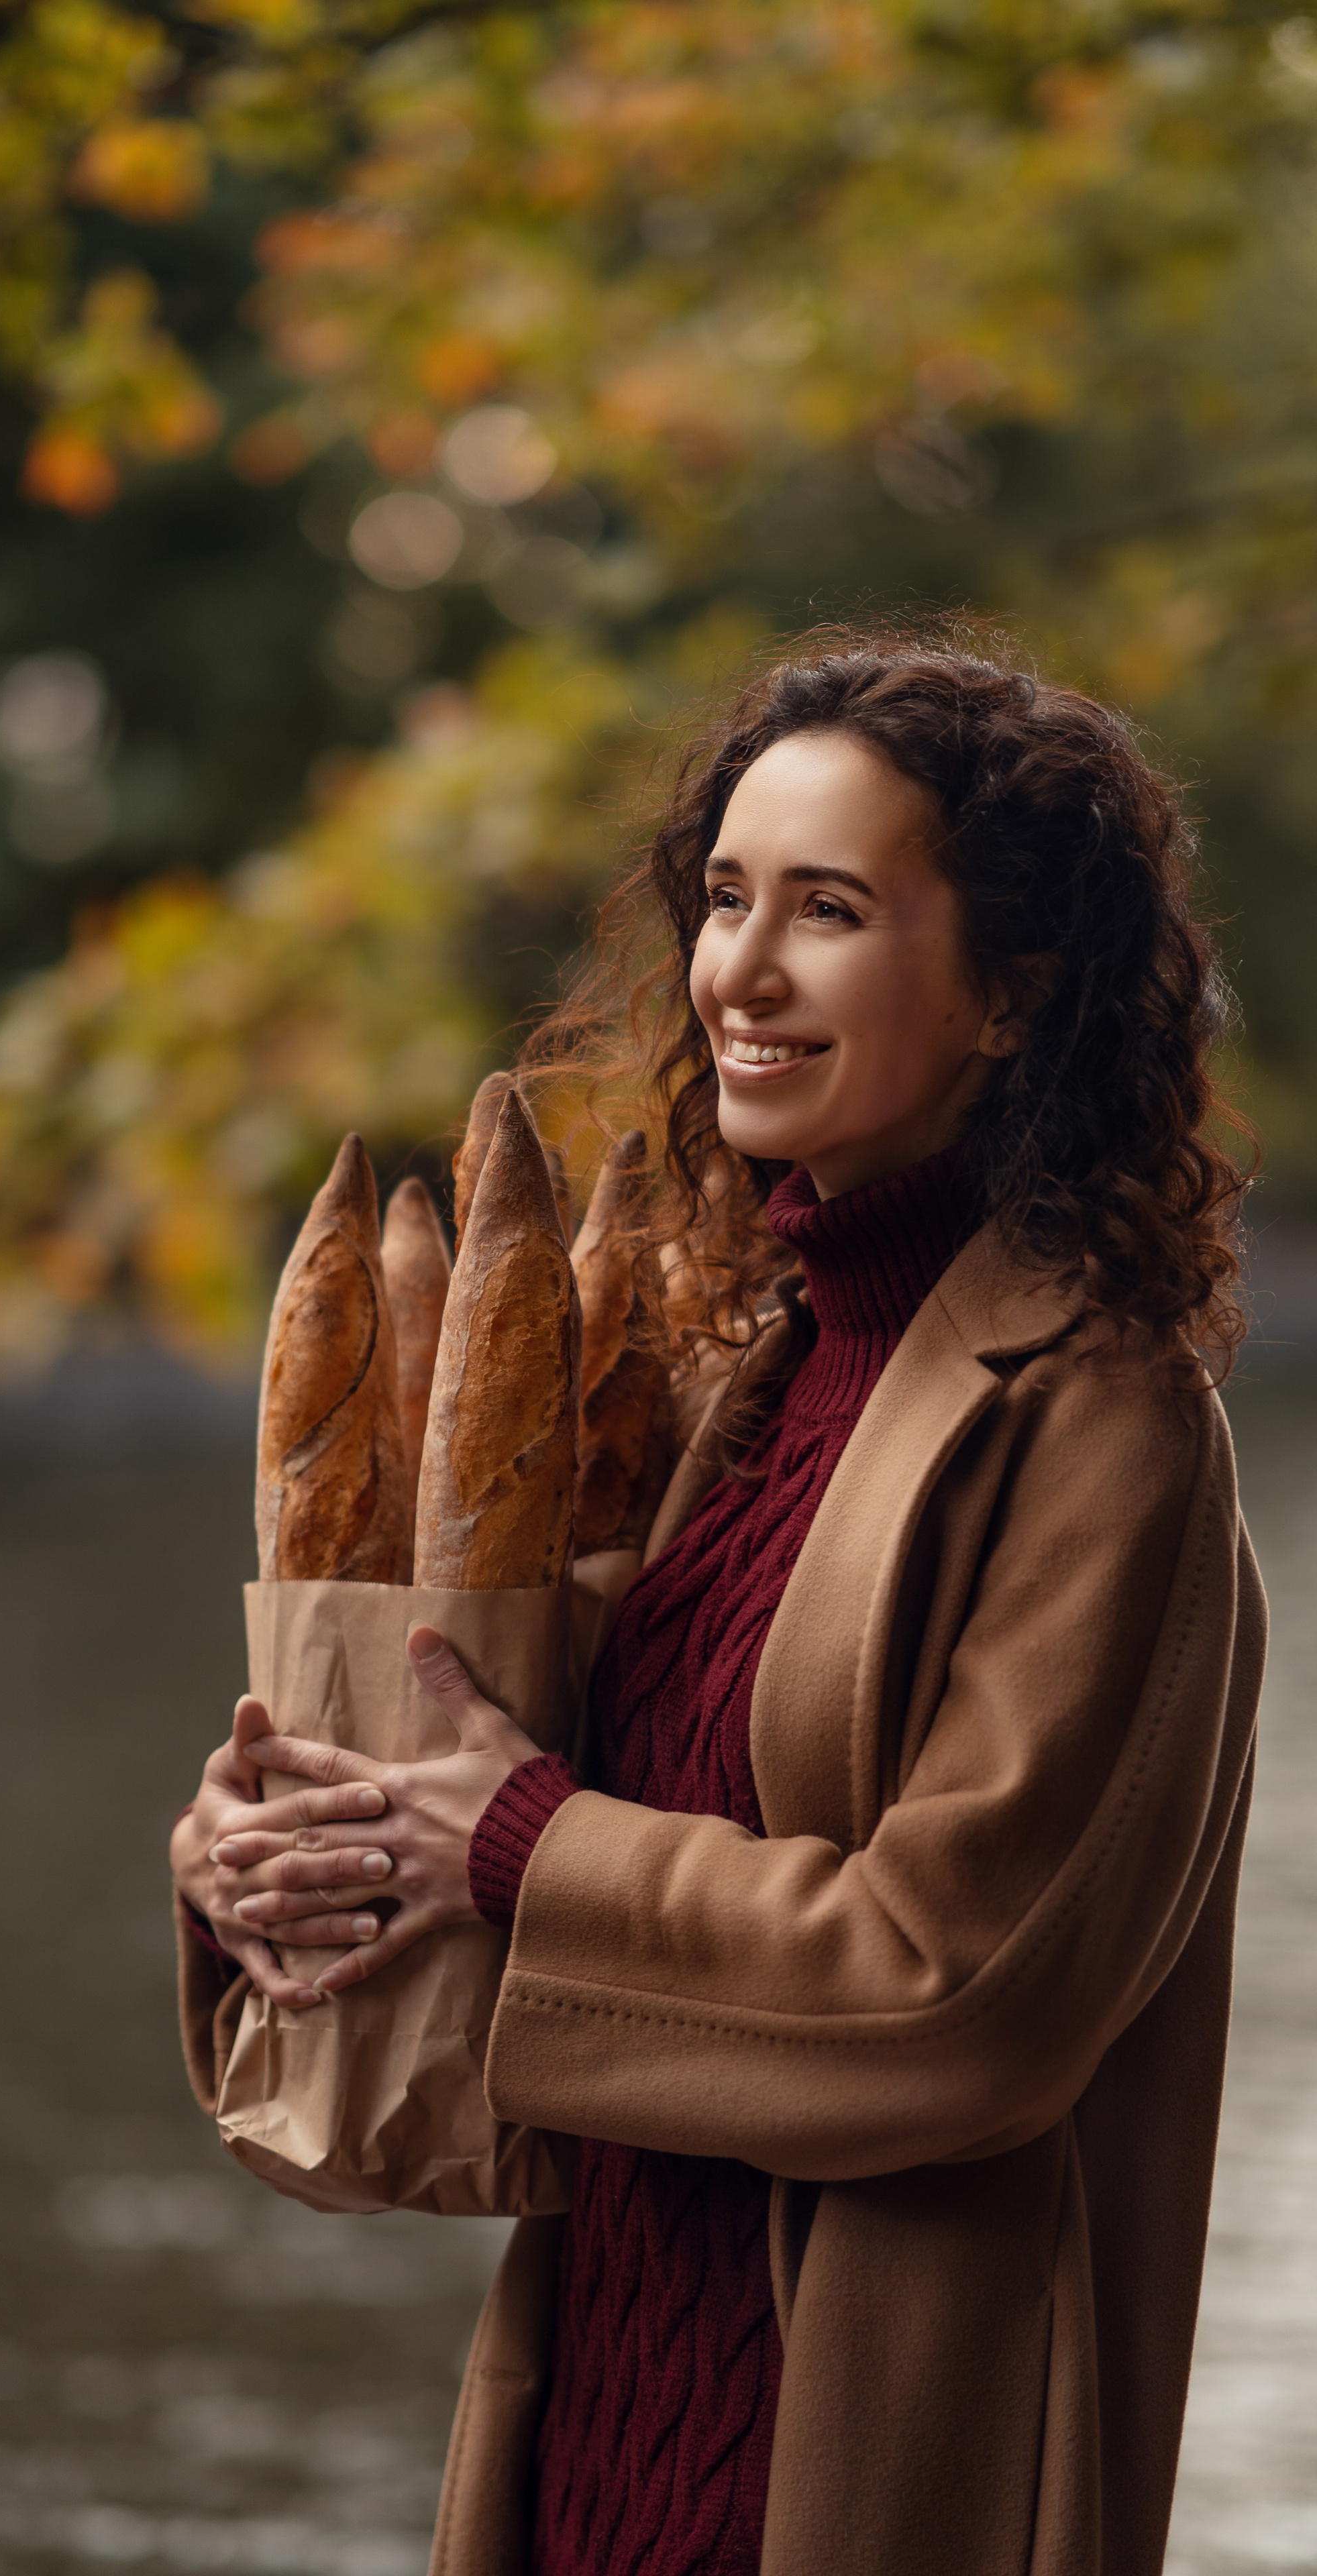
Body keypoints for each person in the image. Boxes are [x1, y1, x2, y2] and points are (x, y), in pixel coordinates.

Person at [170, 633, 1265, 2576]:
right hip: (595, 2413)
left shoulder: (1105, 1426)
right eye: (727, 897)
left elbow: (962, 1993)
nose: (738, 972)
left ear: (1012, 994)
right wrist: (291, 1855)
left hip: (870, 2456)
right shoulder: (720, 1377)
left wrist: (513, 1839)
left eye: (827, 911)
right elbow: (534, 1832)